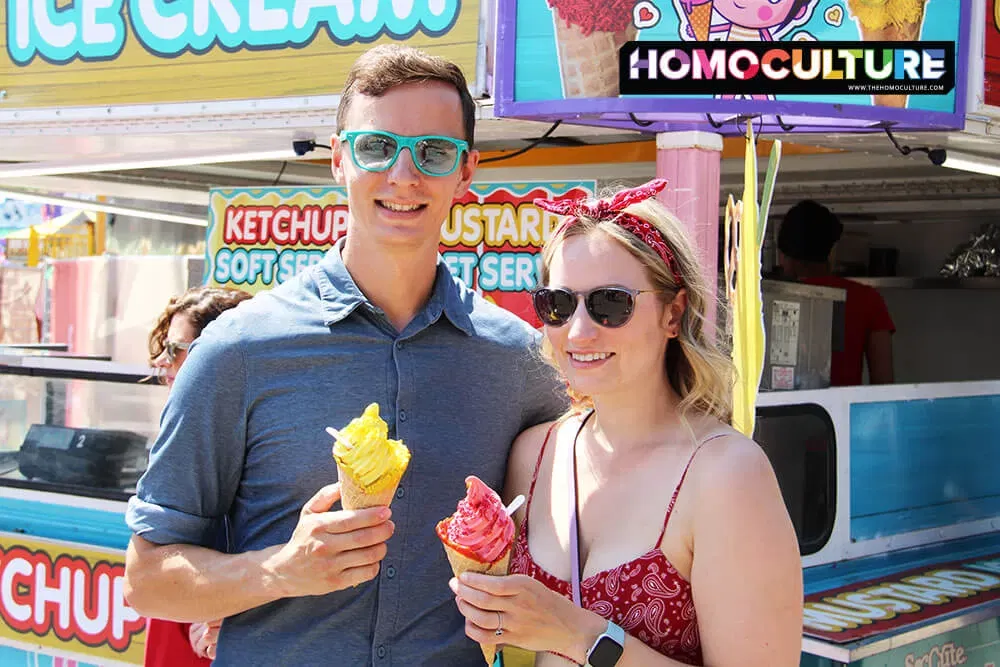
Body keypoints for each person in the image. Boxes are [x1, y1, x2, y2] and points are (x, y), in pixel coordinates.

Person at [123, 44, 566, 666]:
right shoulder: (238, 350)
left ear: (466, 172)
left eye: (433, 153)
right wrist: (280, 570)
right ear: (338, 159)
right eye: (376, 148)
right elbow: (147, 578)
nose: (403, 177)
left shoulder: (519, 360)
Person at [449, 180, 803, 666]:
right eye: (558, 303)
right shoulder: (534, 454)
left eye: (610, 303)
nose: (578, 330)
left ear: (673, 312)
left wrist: (582, 636)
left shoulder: (725, 475)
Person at [143, 285, 252, 666]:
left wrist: (224, 608)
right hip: (178, 619)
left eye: (174, 350)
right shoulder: (187, 428)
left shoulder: (248, 438)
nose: (161, 362)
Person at [777, 199, 895, 385]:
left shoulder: (766, 300)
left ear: (784, 255)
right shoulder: (868, 300)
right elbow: (884, 383)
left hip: (774, 412)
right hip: (842, 412)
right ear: (831, 251)